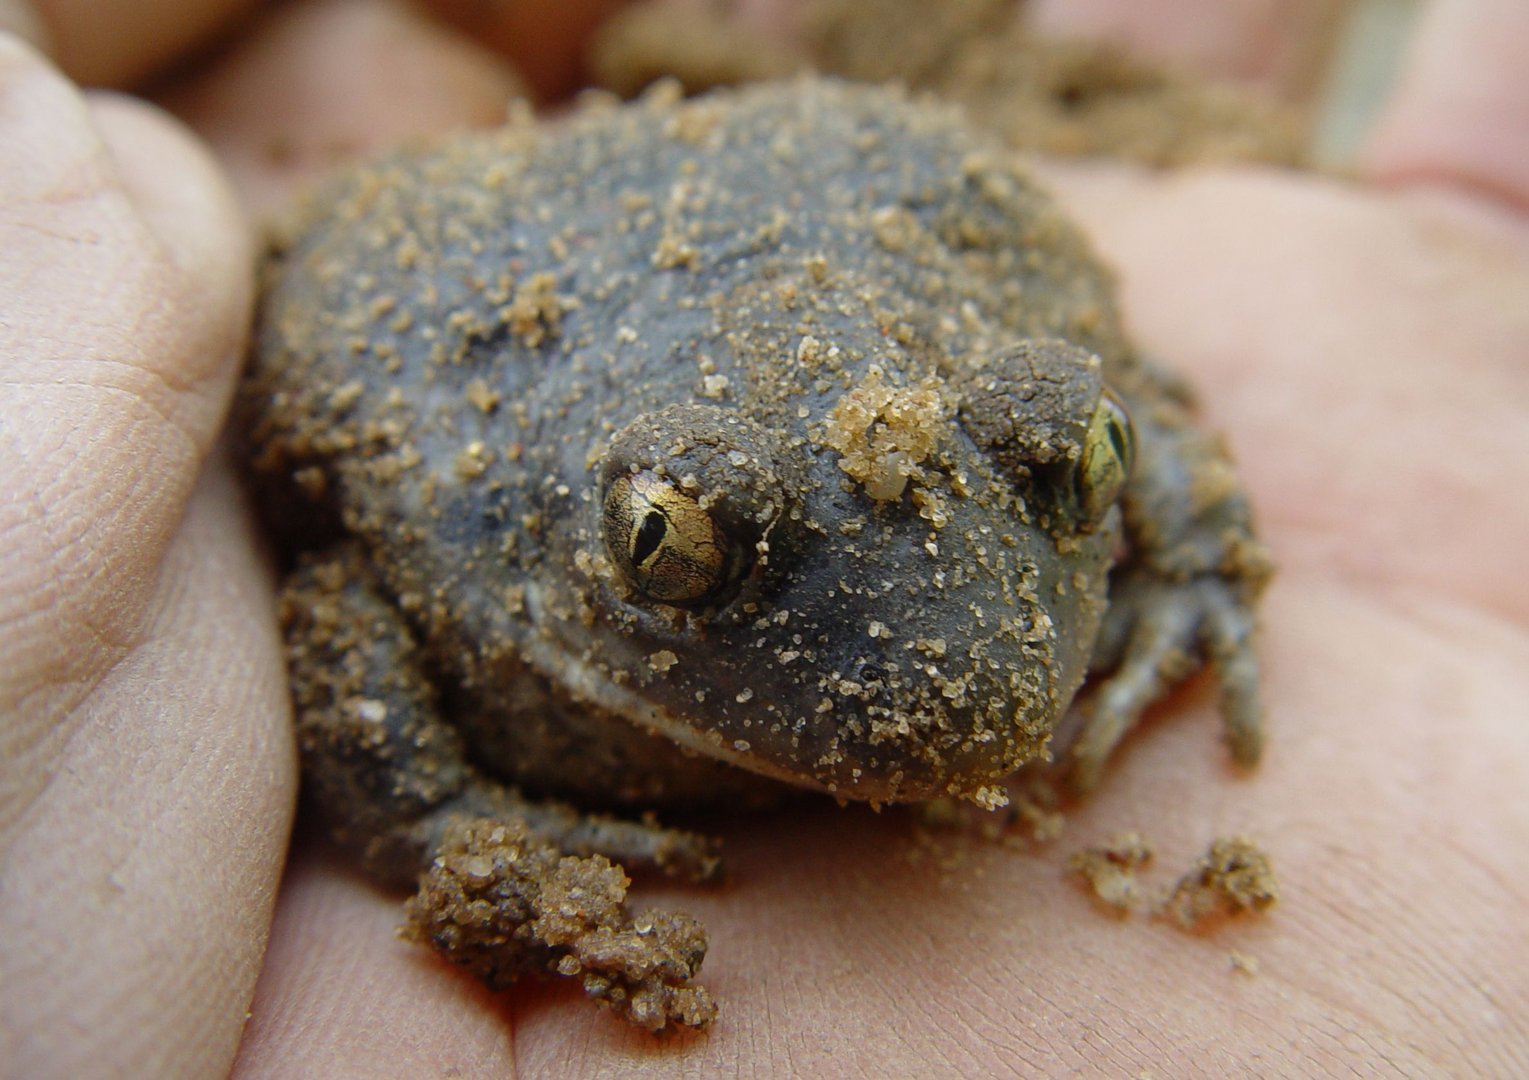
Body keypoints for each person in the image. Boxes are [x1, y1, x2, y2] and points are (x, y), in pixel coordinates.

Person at [2, 1, 1525, 1075]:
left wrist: (1186, 559)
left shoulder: (1017, 384)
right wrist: (447, 824)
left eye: (1069, 472)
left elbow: (1135, 400)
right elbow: (338, 607)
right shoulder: (483, 536)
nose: (955, 658)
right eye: (677, 548)